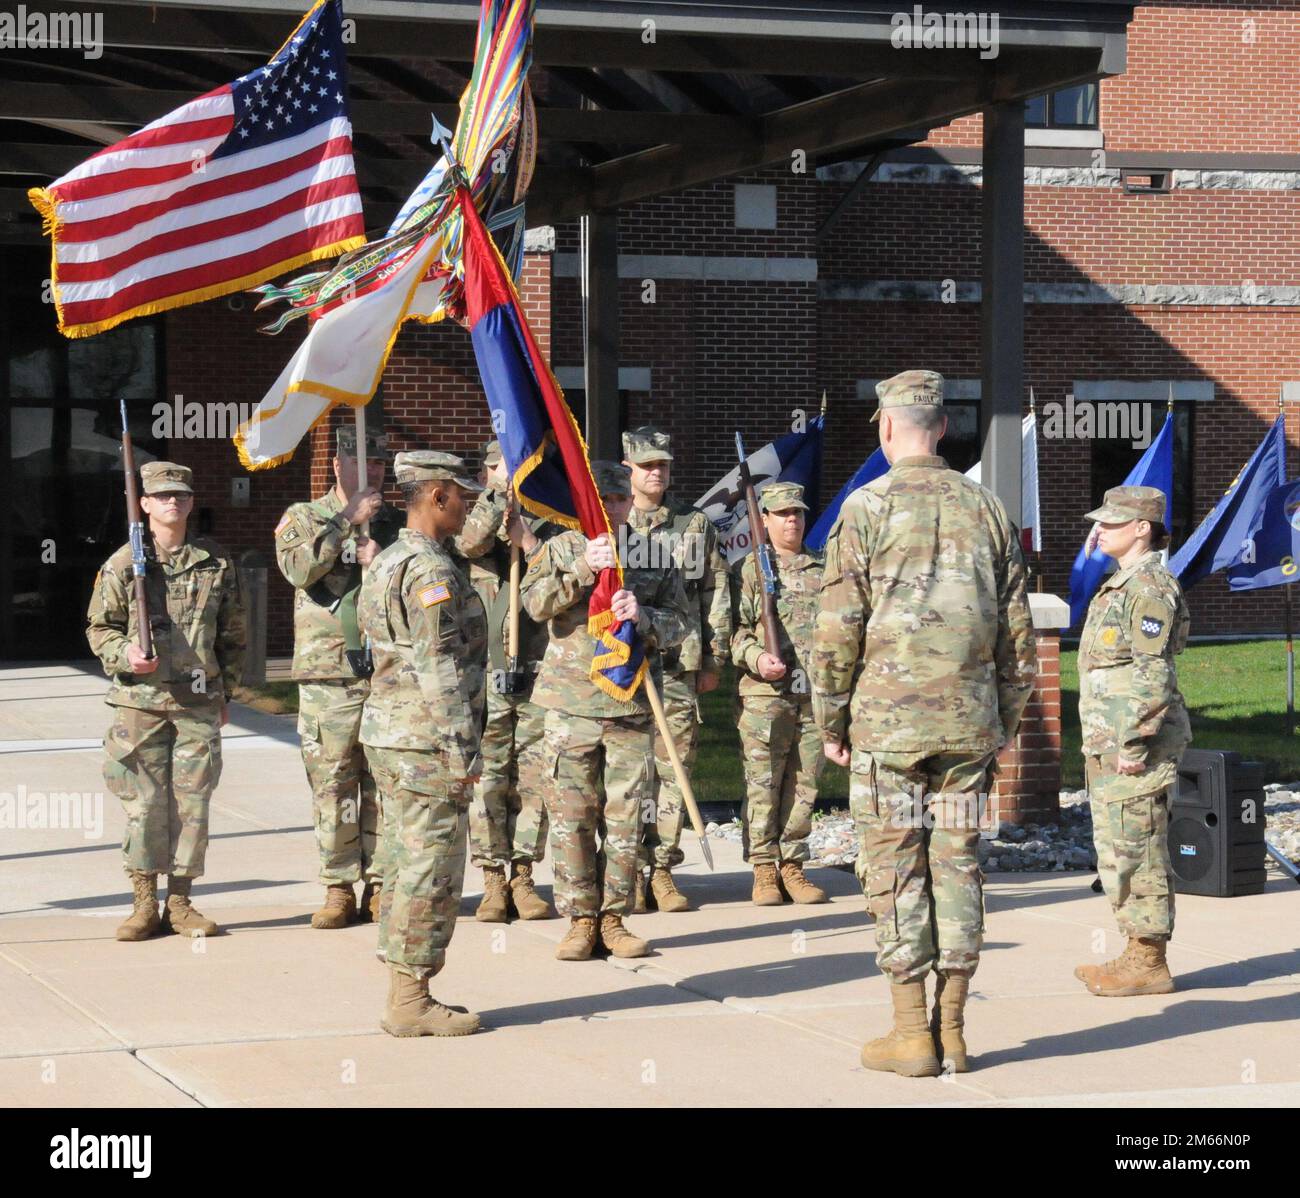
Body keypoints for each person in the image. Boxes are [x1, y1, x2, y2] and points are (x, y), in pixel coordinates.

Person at [812, 370, 1036, 1077]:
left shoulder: (865, 509)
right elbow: (1018, 634)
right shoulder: (990, 509)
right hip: (968, 730)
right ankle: (955, 1031)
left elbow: (837, 629)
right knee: (959, 865)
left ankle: (912, 1033)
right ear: (942, 428)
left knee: (894, 871)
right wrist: (1008, 716)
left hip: (888, 731)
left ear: (885, 428)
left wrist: (830, 719)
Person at [521, 460, 688, 961]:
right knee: (572, 816)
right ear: (584, 502)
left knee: (624, 817)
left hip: (629, 704)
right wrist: (582, 570)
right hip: (569, 706)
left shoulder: (653, 553)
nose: (612, 508)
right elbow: (534, 605)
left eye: (619, 500)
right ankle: (578, 920)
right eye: (602, 500)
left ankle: (613, 919)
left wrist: (648, 618)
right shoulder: (561, 548)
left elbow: (682, 623)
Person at [87, 461, 245, 941]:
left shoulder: (215, 562)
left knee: (192, 805)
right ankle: (142, 903)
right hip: (140, 703)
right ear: (145, 505)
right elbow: (100, 627)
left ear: (192, 502)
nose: (172, 502)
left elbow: (233, 635)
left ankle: (180, 902)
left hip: (198, 700)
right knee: (145, 804)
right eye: (162, 496)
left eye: (181, 495)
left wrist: (226, 693)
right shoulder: (122, 564)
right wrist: (124, 654)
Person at [358, 451, 487, 1037]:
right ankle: (410, 999)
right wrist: (462, 747)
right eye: (464, 494)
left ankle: (402, 990)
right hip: (425, 740)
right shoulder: (431, 570)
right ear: (437, 496)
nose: (471, 504)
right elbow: (439, 664)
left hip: (390, 733)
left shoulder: (388, 559)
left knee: (402, 861)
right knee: (428, 868)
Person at [275, 427, 400, 930]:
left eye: (377, 464)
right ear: (336, 468)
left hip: (387, 673)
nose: (371, 472)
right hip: (330, 676)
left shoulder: (395, 524)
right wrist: (348, 522)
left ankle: (381, 882)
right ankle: (337, 886)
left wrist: (383, 557)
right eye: (360, 463)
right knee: (333, 784)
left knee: (384, 785)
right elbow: (297, 568)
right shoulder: (303, 518)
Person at [1074, 486, 1191, 997]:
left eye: (1113, 523)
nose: (1099, 530)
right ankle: (1136, 949)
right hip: (1111, 742)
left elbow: (1153, 675)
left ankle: (1148, 961)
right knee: (1119, 848)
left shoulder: (1149, 588)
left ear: (1142, 528)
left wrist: (1135, 745)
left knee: (1137, 849)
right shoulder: (1122, 584)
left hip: (1134, 748)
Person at [623, 426, 731, 913]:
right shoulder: (609, 523)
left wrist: (715, 657)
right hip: (621, 668)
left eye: (663, 464)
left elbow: (714, 592)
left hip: (676, 664)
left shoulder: (692, 524)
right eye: (647, 465)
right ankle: (626, 869)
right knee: (626, 771)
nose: (656, 473)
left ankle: (661, 868)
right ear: (629, 467)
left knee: (673, 768)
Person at [454, 440, 554, 922]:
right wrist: (499, 497)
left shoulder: (547, 514)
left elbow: (559, 573)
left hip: (536, 666)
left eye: (516, 466)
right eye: (500, 467)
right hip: (486, 667)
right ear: (487, 470)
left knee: (533, 779)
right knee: (491, 777)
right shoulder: (474, 512)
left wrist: (527, 534)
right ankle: (493, 878)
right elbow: (469, 544)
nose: (509, 473)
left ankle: (523, 875)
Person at [731, 482, 828, 906]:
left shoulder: (822, 569)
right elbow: (730, 632)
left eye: (798, 513)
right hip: (766, 695)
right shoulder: (751, 571)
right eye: (782, 513)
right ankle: (764, 867)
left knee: (805, 781)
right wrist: (756, 658)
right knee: (763, 783)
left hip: (815, 695)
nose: (792, 519)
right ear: (764, 520)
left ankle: (793, 863)